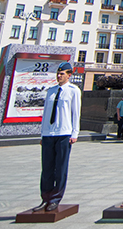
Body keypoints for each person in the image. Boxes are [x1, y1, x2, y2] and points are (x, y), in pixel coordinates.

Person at [34, 62, 81, 212]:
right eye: (58, 74)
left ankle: (55, 198)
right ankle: (45, 198)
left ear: (69, 75)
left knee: (60, 168)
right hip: (49, 133)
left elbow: (76, 113)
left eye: (62, 74)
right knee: (46, 168)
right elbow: (46, 114)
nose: (59, 76)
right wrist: (43, 133)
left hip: (64, 133)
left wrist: (75, 133)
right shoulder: (51, 91)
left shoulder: (73, 91)